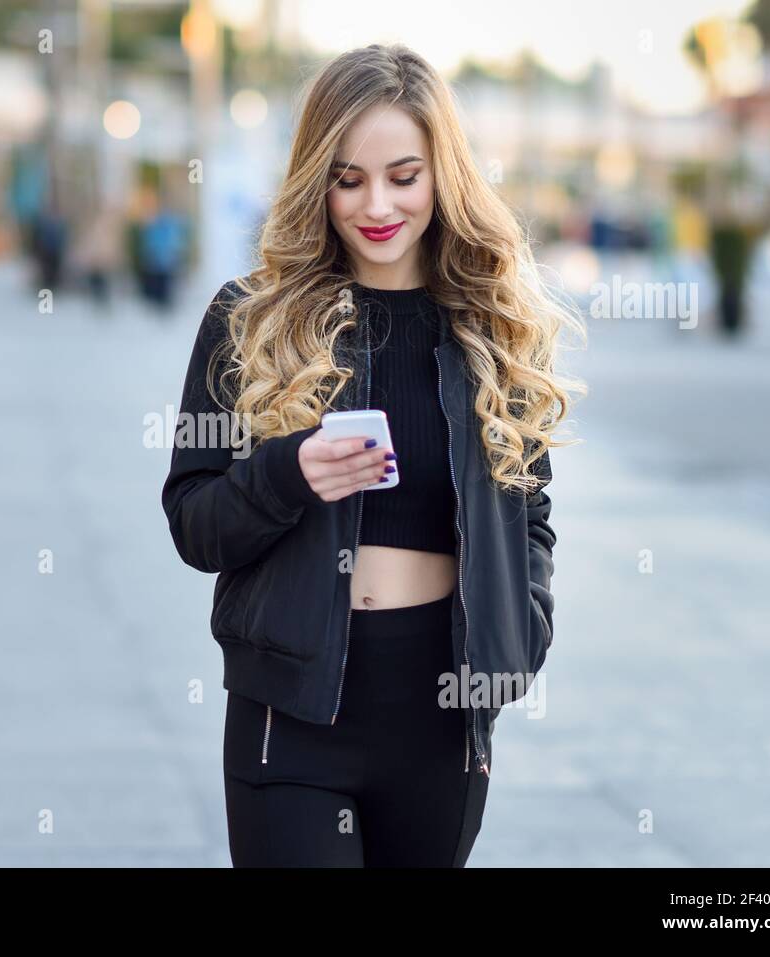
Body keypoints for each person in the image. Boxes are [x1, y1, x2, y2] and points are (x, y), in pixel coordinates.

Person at [160, 43, 586, 867]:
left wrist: (520, 635)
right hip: (291, 717)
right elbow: (193, 524)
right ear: (316, 179)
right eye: (348, 178)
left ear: (443, 174)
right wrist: (287, 474)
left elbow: (531, 518)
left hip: (439, 714)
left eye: (404, 174)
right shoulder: (249, 319)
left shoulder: (493, 330)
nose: (377, 204)